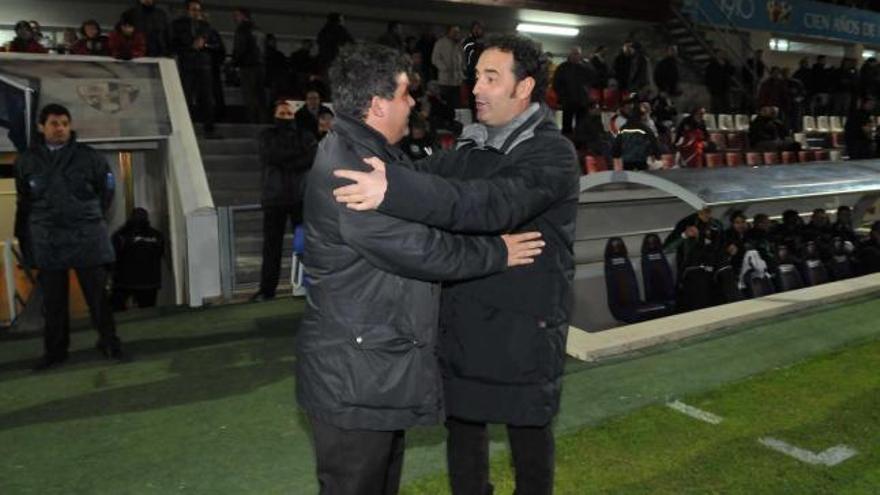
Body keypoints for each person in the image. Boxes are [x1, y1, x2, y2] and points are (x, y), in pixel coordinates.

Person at [332, 34, 579, 494]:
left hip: (524, 326)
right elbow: (423, 178)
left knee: (528, 432)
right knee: (463, 431)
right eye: (477, 77)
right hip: (462, 320)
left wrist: (397, 191)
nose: (477, 89)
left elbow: (490, 204)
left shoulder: (552, 153)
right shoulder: (471, 146)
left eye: (491, 78)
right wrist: (358, 156)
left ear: (524, 88)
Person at [14, 104, 125, 370]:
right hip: (49, 240)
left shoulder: (90, 157)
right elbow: (25, 203)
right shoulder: (27, 160)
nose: (60, 128)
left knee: (98, 297)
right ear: (42, 127)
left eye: (64, 123)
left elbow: (106, 191)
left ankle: (109, 342)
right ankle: (55, 351)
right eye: (54, 123)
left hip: (86, 237)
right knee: (53, 302)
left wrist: (88, 216)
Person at [251, 101, 317, 302]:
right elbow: (273, 155)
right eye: (282, 112)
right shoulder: (267, 136)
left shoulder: (304, 135)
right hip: (275, 199)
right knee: (272, 247)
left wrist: (286, 161)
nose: (286, 116)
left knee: (308, 244)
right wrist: (296, 158)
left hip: (300, 197)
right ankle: (267, 289)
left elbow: (311, 156)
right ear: (275, 115)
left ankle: (311, 285)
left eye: (289, 112)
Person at [171, 0, 217, 136]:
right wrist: (190, 45)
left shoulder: (206, 26)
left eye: (198, 10)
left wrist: (205, 45)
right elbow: (174, 43)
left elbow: (215, 44)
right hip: (187, 65)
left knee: (207, 97)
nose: (196, 12)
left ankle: (209, 128)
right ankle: (185, 128)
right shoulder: (178, 25)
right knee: (186, 97)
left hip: (204, 66)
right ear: (187, 11)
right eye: (193, 9)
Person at [111, 207, 164, 310]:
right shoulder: (157, 235)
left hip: (124, 282)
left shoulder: (121, 235)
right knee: (148, 312)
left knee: (116, 309)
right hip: (150, 282)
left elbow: (112, 256)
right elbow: (160, 253)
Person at [232, 7, 266, 123]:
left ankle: (252, 120)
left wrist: (234, 63)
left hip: (247, 66)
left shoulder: (242, 30)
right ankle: (263, 119)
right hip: (260, 66)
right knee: (260, 94)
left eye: (236, 15)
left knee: (249, 95)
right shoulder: (259, 30)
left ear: (242, 16)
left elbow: (240, 49)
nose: (235, 18)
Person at [553, 46, 594, 136]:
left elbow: (593, 80)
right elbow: (556, 84)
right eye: (574, 54)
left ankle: (580, 144)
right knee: (567, 126)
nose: (576, 56)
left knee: (581, 126)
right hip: (568, 101)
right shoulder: (562, 68)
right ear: (570, 54)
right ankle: (566, 143)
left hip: (582, 101)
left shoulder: (585, 68)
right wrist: (563, 96)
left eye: (578, 54)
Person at [613, 103, 661, 170]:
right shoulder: (644, 128)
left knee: (630, 176)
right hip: (641, 158)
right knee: (641, 177)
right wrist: (657, 155)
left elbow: (618, 142)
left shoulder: (623, 128)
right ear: (640, 116)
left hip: (627, 159)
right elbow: (653, 141)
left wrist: (616, 154)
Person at [432, 25, 464, 108]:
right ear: (448, 32)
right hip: (445, 80)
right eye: (454, 31)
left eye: (457, 32)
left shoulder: (459, 45)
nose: (456, 34)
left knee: (456, 104)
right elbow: (435, 59)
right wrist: (444, 68)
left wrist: (462, 71)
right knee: (445, 104)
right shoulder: (440, 43)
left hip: (457, 81)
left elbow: (462, 59)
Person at [461, 21, 485, 119]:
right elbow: (465, 57)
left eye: (479, 29)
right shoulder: (467, 42)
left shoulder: (483, 42)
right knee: (472, 97)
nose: (477, 30)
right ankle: (474, 118)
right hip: (470, 74)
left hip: (481, 75)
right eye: (475, 28)